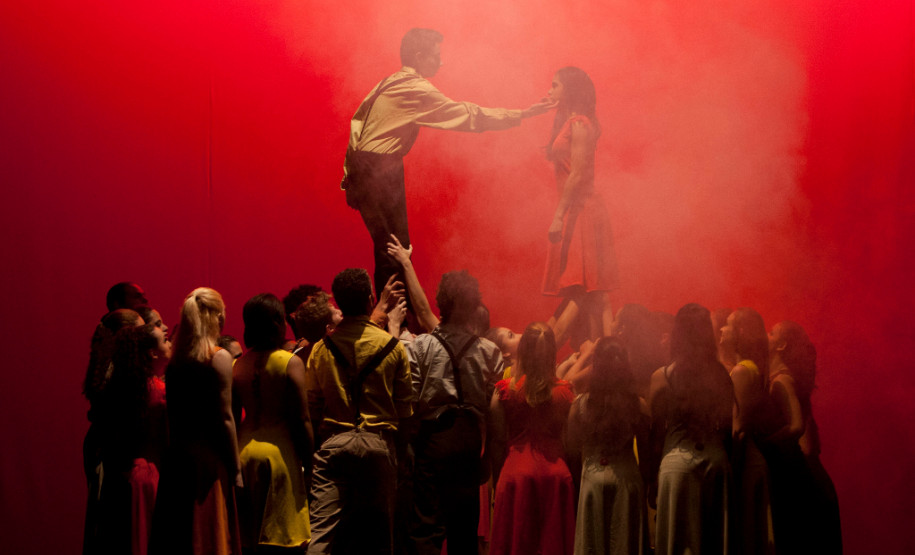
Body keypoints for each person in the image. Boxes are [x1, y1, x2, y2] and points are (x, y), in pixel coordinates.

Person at [342, 28, 555, 297]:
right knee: (395, 249)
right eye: (436, 56)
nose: (441, 63)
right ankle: (392, 325)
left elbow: (356, 124)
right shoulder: (415, 87)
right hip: (379, 169)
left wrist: (350, 176)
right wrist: (521, 114)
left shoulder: (388, 81)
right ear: (419, 56)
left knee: (389, 247)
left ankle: (392, 321)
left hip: (368, 167)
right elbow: (465, 115)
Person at [304, 268, 413, 554]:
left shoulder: (320, 349)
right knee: (377, 539)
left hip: (334, 442)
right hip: (378, 445)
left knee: (321, 535)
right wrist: (403, 454)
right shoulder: (393, 346)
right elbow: (404, 411)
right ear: (369, 300)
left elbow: (313, 405)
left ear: (338, 303)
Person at [406, 270, 504, 554]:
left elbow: (410, 401)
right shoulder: (489, 351)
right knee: (464, 529)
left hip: (433, 440)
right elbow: (497, 407)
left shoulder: (421, 347)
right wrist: (488, 457)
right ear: (472, 305)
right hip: (469, 442)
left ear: (442, 302)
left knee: (426, 527)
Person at [149, 287, 243, 555]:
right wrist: (236, 470)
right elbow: (226, 417)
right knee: (210, 534)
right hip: (208, 462)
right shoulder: (218, 358)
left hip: (178, 460)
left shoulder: (177, 363)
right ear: (216, 318)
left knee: (182, 535)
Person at [541, 67, 619, 348]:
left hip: (583, 211)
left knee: (583, 288)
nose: (549, 91)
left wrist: (558, 216)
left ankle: (544, 351)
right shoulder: (568, 121)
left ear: (570, 90)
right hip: (576, 209)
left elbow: (576, 173)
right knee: (587, 290)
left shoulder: (579, 124)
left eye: (555, 85)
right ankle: (592, 352)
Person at [648, 303, 733, 555]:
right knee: (714, 543)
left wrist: (652, 479)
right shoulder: (721, 375)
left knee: (678, 543)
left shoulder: (662, 376)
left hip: (677, 463)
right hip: (716, 461)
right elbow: (727, 429)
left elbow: (656, 433)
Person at [233, 293, 312, 552]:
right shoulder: (290, 363)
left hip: (245, 452)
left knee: (250, 540)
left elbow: (233, 416)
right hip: (280, 455)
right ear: (278, 322)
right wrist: (312, 462)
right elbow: (301, 418)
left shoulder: (238, 365)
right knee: (284, 541)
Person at [488, 323, 576, 555]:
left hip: (515, 476)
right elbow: (572, 441)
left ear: (523, 350)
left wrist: (498, 481)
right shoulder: (566, 392)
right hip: (556, 478)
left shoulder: (505, 390)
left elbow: (496, 441)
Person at [765, 321, 841, 555]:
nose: (765, 334)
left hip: (806, 486)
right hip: (812, 482)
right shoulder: (785, 378)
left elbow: (806, 445)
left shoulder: (782, 380)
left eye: (772, 332)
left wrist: (767, 445)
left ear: (781, 345)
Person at [94, 323, 170, 555]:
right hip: (150, 476)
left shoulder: (129, 387)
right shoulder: (158, 391)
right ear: (152, 352)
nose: (170, 343)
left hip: (127, 474)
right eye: (165, 340)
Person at [567, 337, 647, 555]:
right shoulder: (638, 405)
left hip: (592, 478)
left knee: (591, 543)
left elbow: (572, 449)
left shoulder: (580, 405)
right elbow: (647, 450)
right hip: (627, 477)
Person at [720, 308, 775, 555]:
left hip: (746, 463)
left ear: (740, 331)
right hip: (753, 461)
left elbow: (738, 428)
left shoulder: (742, 370)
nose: (722, 328)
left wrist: (731, 470)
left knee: (745, 536)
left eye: (728, 325)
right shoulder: (751, 366)